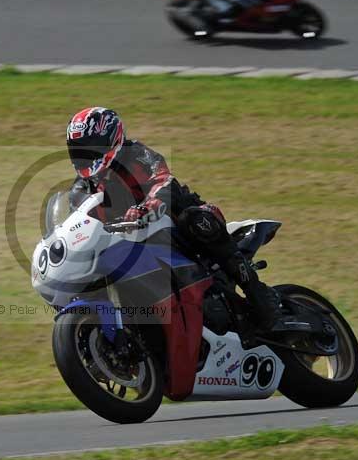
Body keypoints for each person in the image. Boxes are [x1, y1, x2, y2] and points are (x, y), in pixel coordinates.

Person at [66, 107, 281, 332]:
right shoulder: (82, 188)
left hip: (174, 221)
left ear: (112, 139)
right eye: (78, 150)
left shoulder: (136, 154)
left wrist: (149, 205)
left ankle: (258, 293)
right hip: (132, 245)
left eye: (90, 149)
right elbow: (78, 224)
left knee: (196, 220)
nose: (84, 156)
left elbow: (164, 179)